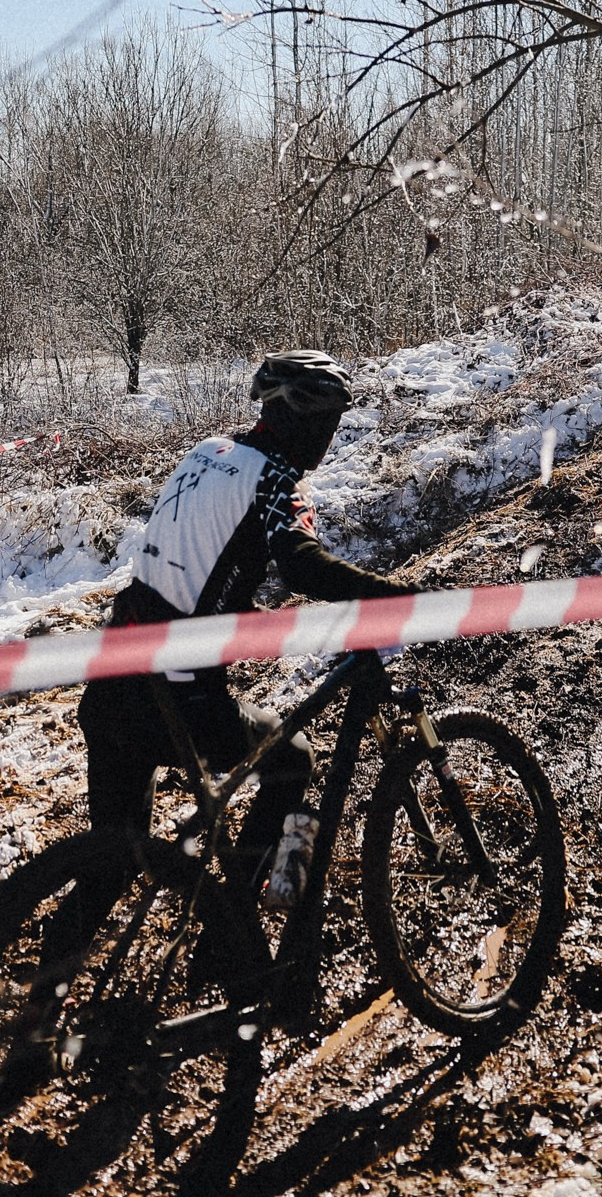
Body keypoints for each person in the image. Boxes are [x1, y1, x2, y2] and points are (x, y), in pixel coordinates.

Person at [77, 349, 414, 896]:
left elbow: (194, 562)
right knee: (295, 760)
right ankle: (236, 924)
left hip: (111, 683)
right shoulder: (276, 478)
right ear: (312, 421)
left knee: (107, 870)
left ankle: (41, 977)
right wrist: (396, 597)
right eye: (330, 423)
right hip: (178, 701)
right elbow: (303, 564)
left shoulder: (207, 452)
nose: (329, 438)